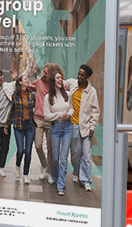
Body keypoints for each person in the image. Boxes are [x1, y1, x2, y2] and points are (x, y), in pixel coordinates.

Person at [68, 64, 101, 192]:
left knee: (87, 155)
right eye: (79, 74)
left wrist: (92, 126)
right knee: (76, 154)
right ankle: (76, 173)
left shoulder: (92, 92)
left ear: (87, 76)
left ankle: (86, 180)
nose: (79, 76)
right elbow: (59, 83)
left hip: (86, 127)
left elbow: (95, 111)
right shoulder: (72, 85)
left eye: (82, 75)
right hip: (74, 125)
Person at [44, 67, 74, 196]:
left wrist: (69, 114)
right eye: (57, 78)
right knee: (55, 158)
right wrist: (60, 115)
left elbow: (72, 109)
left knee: (63, 158)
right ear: (53, 81)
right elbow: (46, 116)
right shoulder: (48, 97)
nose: (60, 80)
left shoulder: (68, 94)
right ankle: (56, 178)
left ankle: (61, 185)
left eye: (61, 78)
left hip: (68, 127)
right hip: (55, 128)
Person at [7, 73, 36, 184]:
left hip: (30, 126)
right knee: (20, 150)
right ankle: (17, 165)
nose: (27, 80)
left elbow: (36, 109)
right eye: (25, 79)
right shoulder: (15, 95)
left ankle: (25, 175)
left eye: (27, 79)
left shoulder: (32, 95)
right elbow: (12, 110)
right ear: (20, 82)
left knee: (28, 151)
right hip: (18, 126)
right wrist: (7, 124)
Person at [31, 63, 57, 182]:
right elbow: (26, 87)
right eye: (44, 72)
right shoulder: (38, 82)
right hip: (38, 119)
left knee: (51, 148)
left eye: (47, 72)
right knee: (38, 145)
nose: (44, 74)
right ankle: (44, 165)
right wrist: (16, 79)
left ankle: (50, 173)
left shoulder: (55, 85)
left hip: (51, 120)